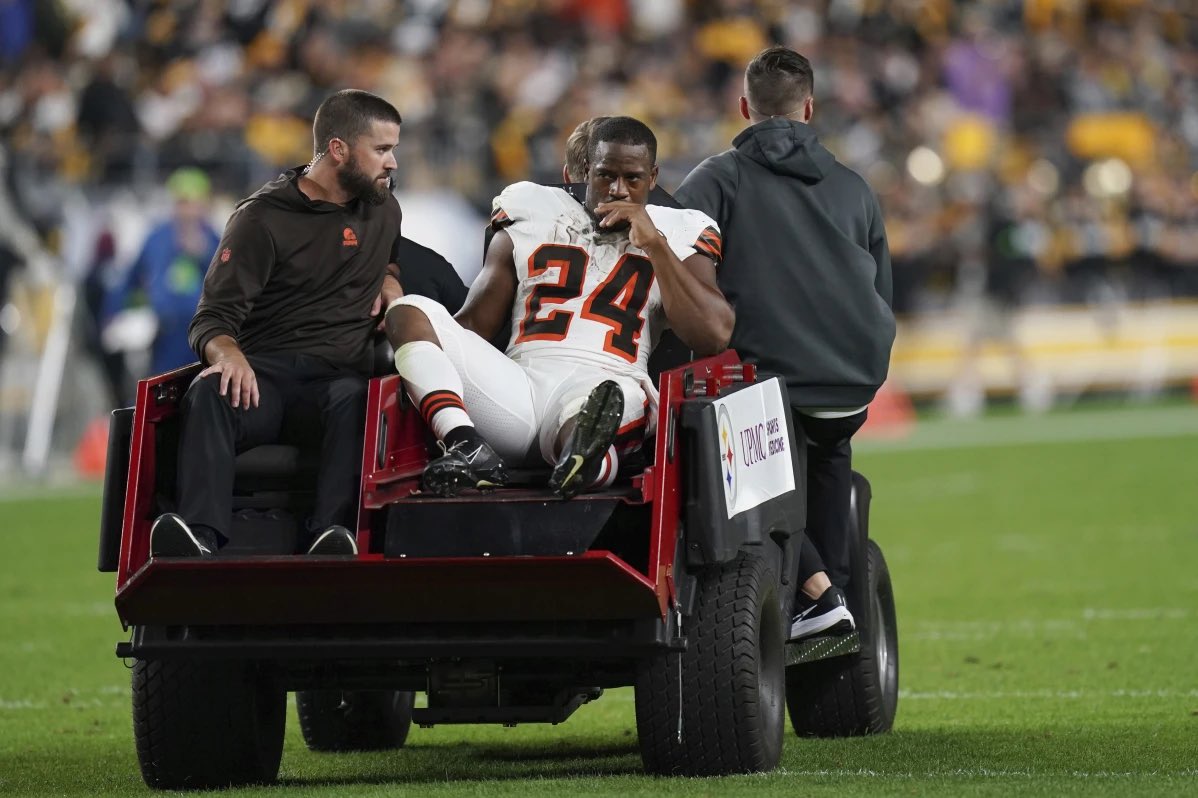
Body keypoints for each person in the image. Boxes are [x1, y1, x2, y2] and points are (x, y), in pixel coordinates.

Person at [385, 116, 734, 498]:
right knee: (409, 309)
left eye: (632, 179)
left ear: (652, 177)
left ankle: (583, 461)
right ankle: (465, 443)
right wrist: (421, 355)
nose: (617, 190)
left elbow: (713, 334)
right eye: (605, 176)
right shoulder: (531, 207)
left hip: (607, 378)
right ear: (585, 171)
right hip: (517, 386)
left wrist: (656, 245)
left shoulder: (681, 228)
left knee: (596, 414)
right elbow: (475, 324)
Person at [676, 46, 896, 640]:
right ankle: (840, 608)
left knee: (737, 487)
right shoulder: (855, 188)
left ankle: (817, 597)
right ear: (810, 107)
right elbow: (882, 287)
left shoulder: (716, 178)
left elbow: (679, 276)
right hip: (851, 381)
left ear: (744, 106)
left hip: (767, 379)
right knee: (827, 466)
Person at [149, 89, 405, 559]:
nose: (392, 163)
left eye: (393, 149)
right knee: (209, 390)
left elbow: (389, 261)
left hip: (334, 382)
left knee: (356, 396)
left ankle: (332, 538)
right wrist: (228, 354)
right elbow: (210, 318)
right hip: (263, 379)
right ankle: (198, 540)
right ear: (338, 150)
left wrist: (390, 282)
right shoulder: (262, 219)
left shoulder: (384, 209)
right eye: (382, 150)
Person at [102, 167, 221, 376]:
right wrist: (110, 314)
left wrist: (203, 255)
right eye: (182, 202)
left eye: (194, 203)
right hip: (164, 331)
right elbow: (131, 277)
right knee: (161, 391)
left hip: (203, 333)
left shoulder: (215, 240)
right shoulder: (158, 237)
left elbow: (226, 285)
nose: (188, 210)